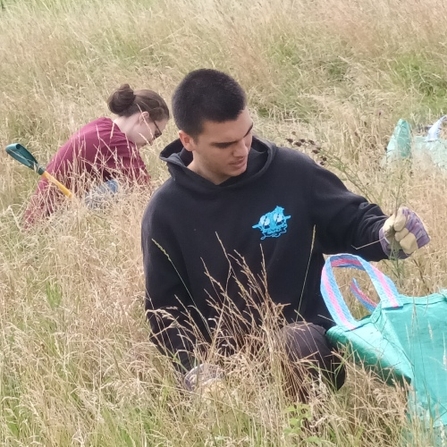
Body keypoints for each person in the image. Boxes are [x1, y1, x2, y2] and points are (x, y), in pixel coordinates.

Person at [141, 69, 429, 398]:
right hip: (224, 369)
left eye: (246, 134)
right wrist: (197, 370)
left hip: (306, 342)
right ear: (187, 140)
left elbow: (350, 221)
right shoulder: (166, 212)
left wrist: (386, 234)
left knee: (297, 343)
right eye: (225, 144)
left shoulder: (292, 172)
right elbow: (165, 310)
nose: (242, 150)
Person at [24, 84, 170, 225]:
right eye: (156, 134)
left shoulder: (102, 126)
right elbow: (146, 194)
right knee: (121, 187)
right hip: (50, 223)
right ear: (143, 118)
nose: (151, 142)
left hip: (41, 219)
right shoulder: (117, 142)